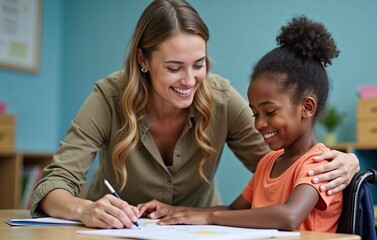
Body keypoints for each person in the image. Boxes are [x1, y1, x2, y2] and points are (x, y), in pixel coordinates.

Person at [31, 0, 358, 229]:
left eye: (198, 65)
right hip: (118, 231)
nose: (189, 81)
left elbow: (281, 163)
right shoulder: (108, 98)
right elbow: (55, 183)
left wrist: (347, 163)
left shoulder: (221, 99)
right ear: (143, 60)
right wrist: (86, 208)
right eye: (174, 68)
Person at [138, 15, 343, 232]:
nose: (259, 124)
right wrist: (174, 211)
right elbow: (233, 210)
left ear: (307, 108)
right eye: (255, 114)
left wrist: (210, 218)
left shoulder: (320, 165)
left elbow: (289, 217)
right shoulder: (268, 162)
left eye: (270, 112)